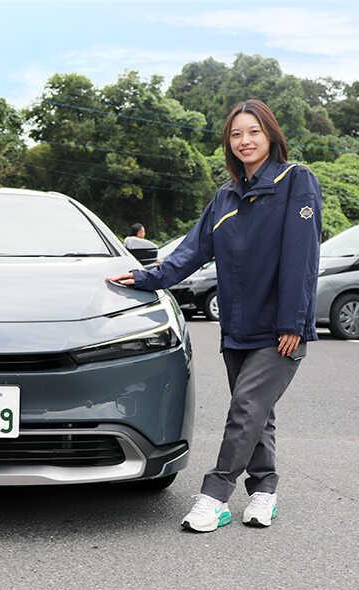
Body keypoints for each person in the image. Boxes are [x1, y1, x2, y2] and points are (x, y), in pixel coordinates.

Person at [107, 99, 322, 533]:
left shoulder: (296, 180)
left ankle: (215, 495)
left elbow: (303, 258)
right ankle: (264, 491)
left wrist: (293, 323)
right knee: (257, 413)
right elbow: (189, 253)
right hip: (237, 328)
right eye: (237, 134)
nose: (245, 141)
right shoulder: (224, 198)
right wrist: (145, 278)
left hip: (279, 329)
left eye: (254, 132)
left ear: (271, 135)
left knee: (245, 409)